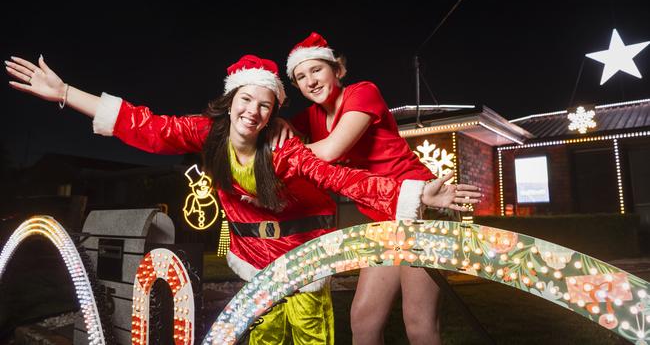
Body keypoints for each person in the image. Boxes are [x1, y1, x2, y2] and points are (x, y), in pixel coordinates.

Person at [6, 54, 480, 345]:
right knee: (265, 336)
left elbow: (338, 176)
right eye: (246, 100)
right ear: (231, 99)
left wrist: (412, 192)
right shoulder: (205, 133)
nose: (253, 112)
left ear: (274, 111)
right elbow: (144, 125)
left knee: (315, 333)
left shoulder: (284, 145)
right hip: (252, 257)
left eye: (266, 104)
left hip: (303, 254)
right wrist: (66, 92)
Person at [283, 32, 467, 345]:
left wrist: (285, 153)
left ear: (337, 70)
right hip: (383, 220)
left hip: (422, 208)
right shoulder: (310, 117)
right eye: (301, 76)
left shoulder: (362, 92)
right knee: (364, 322)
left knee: (419, 324)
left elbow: (329, 151)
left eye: (316, 70)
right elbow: (271, 132)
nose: (310, 81)